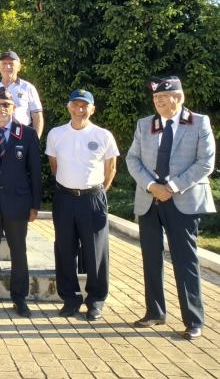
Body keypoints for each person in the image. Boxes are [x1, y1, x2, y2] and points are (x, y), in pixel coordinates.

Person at [126, 76, 216, 340]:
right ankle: (155, 312)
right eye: (155, 98)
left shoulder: (199, 123)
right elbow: (132, 159)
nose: (158, 102)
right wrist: (152, 186)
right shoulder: (146, 125)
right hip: (149, 200)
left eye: (162, 98)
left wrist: (172, 187)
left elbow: (205, 163)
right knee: (151, 259)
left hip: (183, 201)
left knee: (185, 260)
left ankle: (193, 320)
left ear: (179, 97)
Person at [46, 89, 118, 321]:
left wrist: (96, 192)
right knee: (65, 249)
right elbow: (54, 166)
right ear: (68, 107)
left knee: (96, 250)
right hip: (65, 198)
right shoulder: (56, 134)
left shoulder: (103, 135)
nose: (79, 110)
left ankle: (96, 300)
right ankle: (70, 298)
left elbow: (111, 169)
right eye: (75, 105)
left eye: (84, 106)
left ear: (92, 109)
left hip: (93, 198)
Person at [0, 88, 41, 317]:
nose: (2, 109)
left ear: (14, 108)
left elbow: (35, 172)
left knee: (18, 253)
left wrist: (35, 205)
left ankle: (20, 297)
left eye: (6, 105)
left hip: (18, 204)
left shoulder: (27, 134)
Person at [0, 51, 44, 135]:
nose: (7, 66)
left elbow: (37, 116)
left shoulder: (28, 87)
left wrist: (35, 141)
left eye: (11, 64)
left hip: (22, 135)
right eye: (4, 63)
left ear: (19, 67)